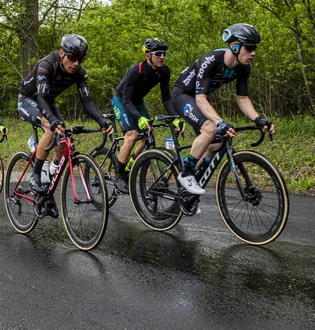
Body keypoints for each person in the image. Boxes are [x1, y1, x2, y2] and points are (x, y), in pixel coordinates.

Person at [172, 23, 274, 198]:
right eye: (249, 48)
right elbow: (200, 99)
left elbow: (242, 98)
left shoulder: (243, 67)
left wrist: (258, 119)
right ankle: (186, 174)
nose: (253, 53)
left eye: (254, 48)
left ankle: (188, 192)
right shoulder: (210, 61)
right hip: (184, 95)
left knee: (217, 141)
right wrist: (220, 122)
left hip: (201, 98)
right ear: (234, 46)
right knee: (211, 128)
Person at [17, 34, 113, 217]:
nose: (76, 63)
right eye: (72, 58)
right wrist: (52, 121)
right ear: (61, 53)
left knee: (63, 141)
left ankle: (47, 189)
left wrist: (102, 121)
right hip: (28, 100)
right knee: (49, 127)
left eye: (81, 59)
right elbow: (41, 97)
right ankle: (36, 175)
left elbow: (87, 102)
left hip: (48, 101)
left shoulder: (79, 72)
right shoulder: (47, 65)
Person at [111, 37, 182, 193]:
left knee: (148, 136)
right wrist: (139, 118)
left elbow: (166, 99)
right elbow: (126, 100)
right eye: (158, 53)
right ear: (148, 55)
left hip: (137, 102)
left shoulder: (164, 71)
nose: (162, 56)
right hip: (122, 101)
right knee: (131, 135)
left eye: (164, 53)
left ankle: (130, 167)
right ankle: (118, 176)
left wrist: (176, 118)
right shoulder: (136, 70)